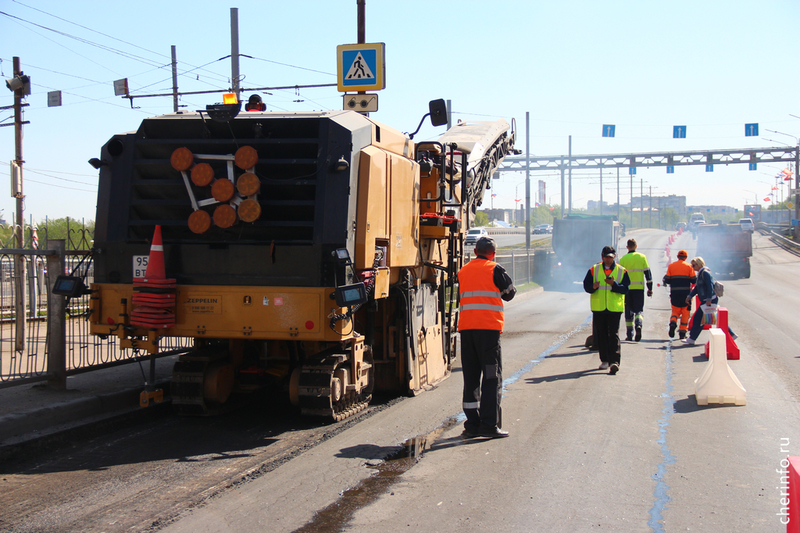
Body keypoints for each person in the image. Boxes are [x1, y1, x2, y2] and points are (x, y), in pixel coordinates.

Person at [458, 236, 516, 438]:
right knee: (492, 377)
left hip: (467, 330)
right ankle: (489, 425)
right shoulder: (495, 269)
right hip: (488, 332)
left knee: (471, 377)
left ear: (475, 252)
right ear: (493, 253)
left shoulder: (463, 270)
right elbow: (509, 293)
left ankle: (472, 424)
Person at [583, 245, 631, 375]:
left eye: (610, 257)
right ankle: (604, 360)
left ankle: (614, 362)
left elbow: (625, 289)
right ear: (602, 257)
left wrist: (614, 285)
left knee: (613, 335)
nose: (608, 260)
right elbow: (586, 286)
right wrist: (592, 287)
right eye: (606, 257)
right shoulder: (594, 270)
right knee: (602, 335)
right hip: (599, 308)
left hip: (615, 308)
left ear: (614, 256)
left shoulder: (622, 271)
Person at [681, 256, 737, 345]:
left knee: (698, 319)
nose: (692, 267)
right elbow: (697, 287)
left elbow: (710, 286)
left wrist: (709, 299)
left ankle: (692, 339)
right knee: (713, 318)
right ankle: (732, 334)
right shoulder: (701, 273)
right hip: (707, 300)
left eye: (694, 265)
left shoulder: (705, 273)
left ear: (699, 264)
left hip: (709, 300)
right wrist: (690, 296)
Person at [617, 238, 653, 341]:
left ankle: (629, 334)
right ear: (636, 246)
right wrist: (650, 289)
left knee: (628, 312)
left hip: (627, 290)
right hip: (639, 289)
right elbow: (648, 274)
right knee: (639, 310)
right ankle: (639, 324)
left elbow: (619, 277)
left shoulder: (623, 259)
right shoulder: (642, 257)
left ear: (627, 247)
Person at [663, 250, 696, 339]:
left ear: (677, 257)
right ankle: (682, 333)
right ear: (685, 257)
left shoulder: (671, 266)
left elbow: (667, 280)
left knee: (675, 311)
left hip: (674, 294)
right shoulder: (689, 266)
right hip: (686, 295)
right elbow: (693, 280)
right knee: (685, 313)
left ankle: (673, 322)